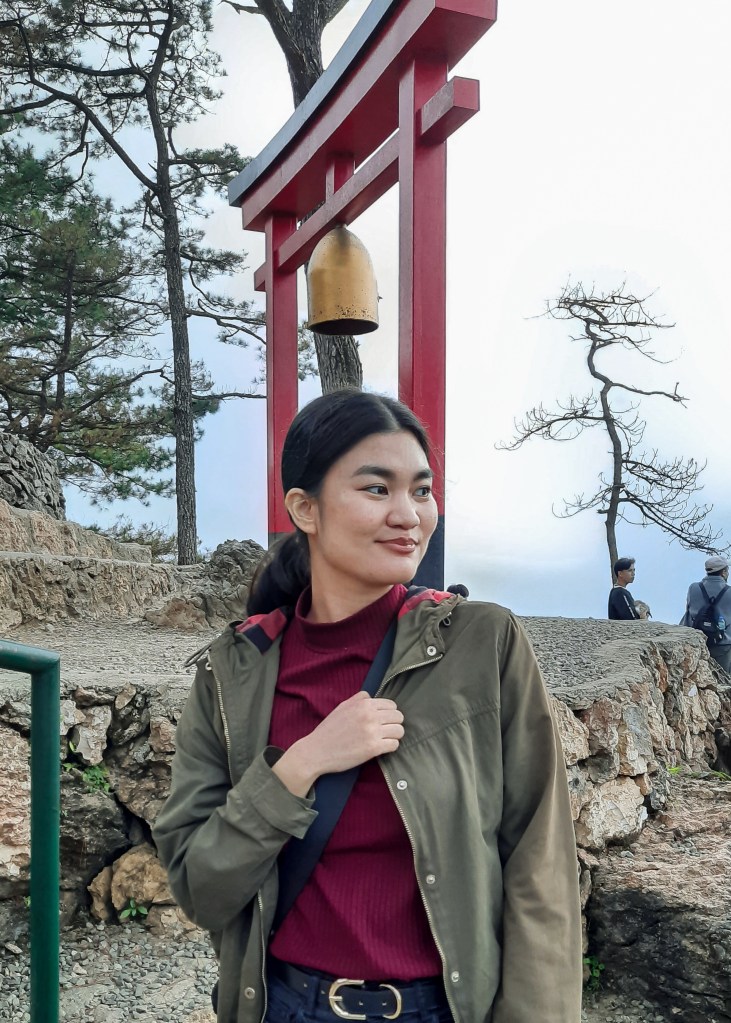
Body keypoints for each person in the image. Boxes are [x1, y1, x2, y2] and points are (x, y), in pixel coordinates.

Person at [153, 389, 582, 1023]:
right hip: (287, 1004)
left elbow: (539, 864)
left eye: (422, 490)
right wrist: (297, 768)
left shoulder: (483, 643)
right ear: (305, 508)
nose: (408, 514)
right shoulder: (233, 673)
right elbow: (200, 889)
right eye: (376, 489)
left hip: (443, 1007)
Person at [681, 555, 731, 673]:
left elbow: (689, 610)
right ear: (723, 572)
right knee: (723, 680)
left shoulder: (693, 588)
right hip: (723, 643)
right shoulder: (729, 592)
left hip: (698, 639)